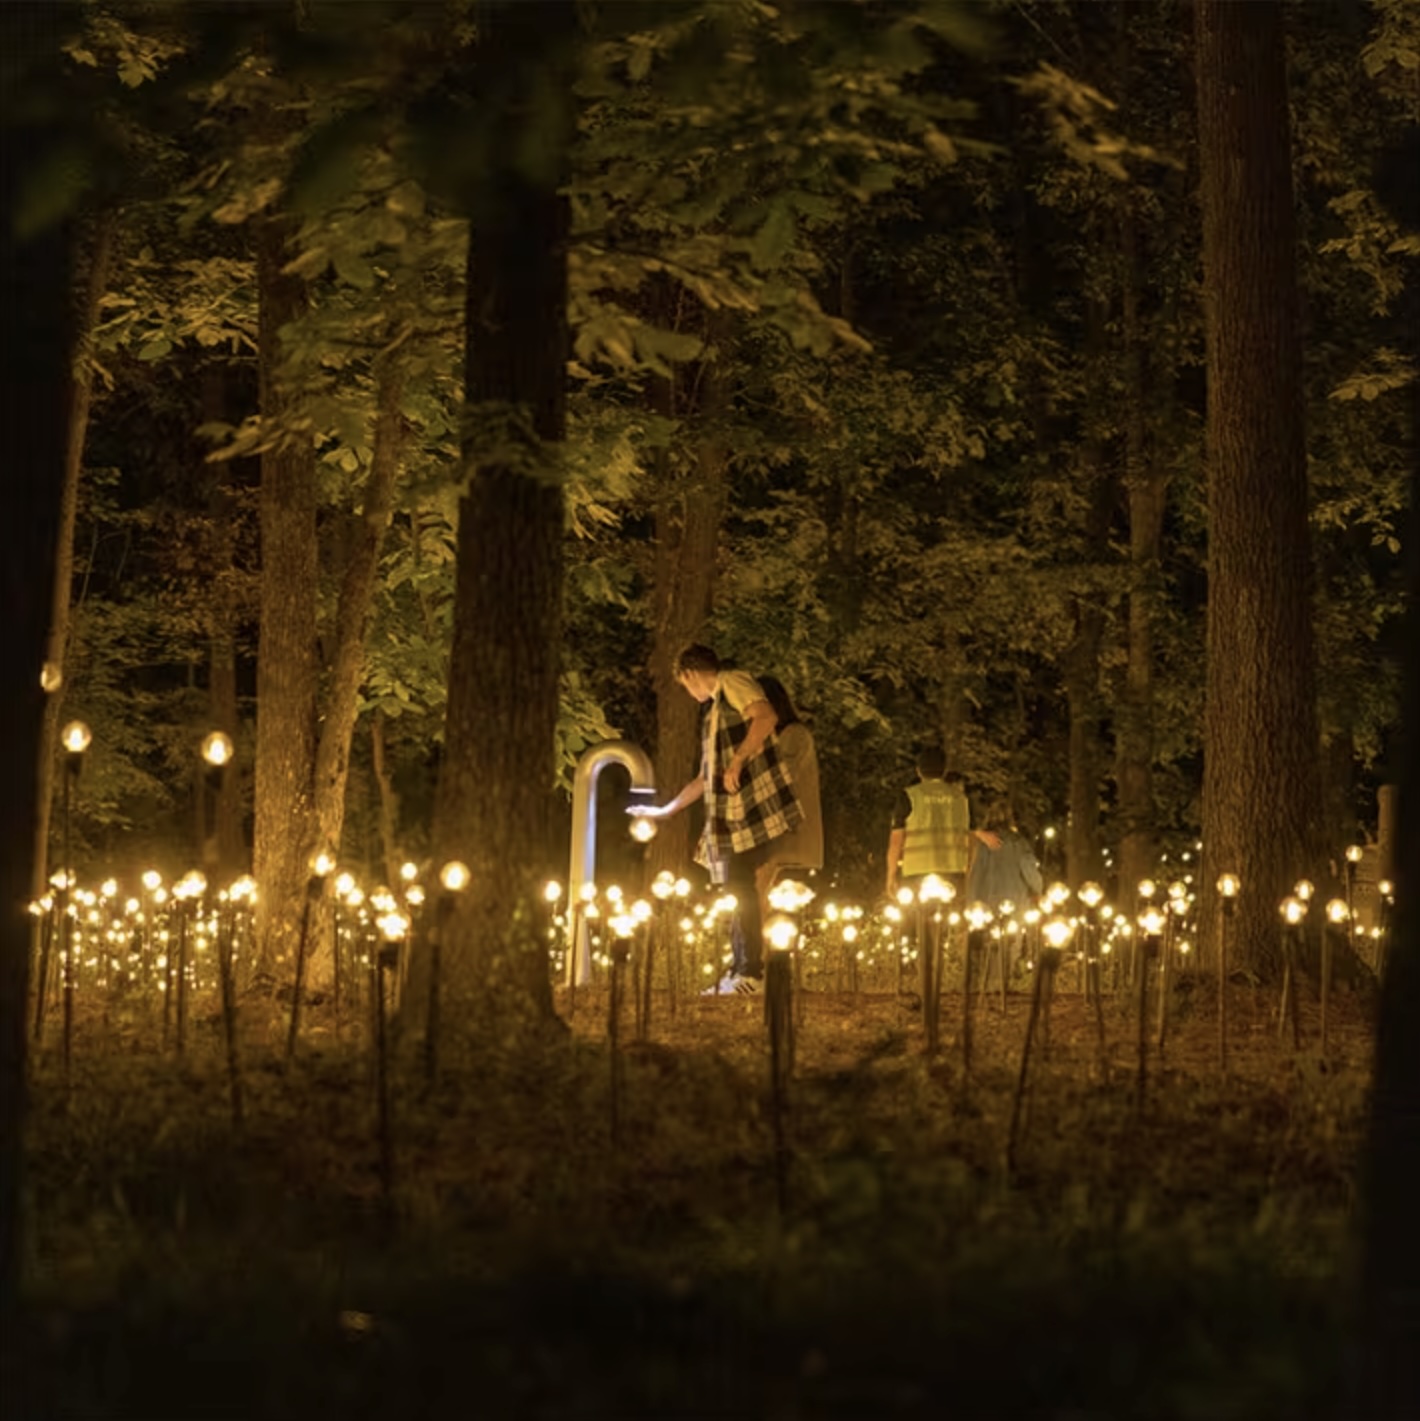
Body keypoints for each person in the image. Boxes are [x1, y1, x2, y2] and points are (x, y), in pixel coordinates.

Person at [628, 644, 802, 995]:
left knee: (740, 886)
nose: (690, 695)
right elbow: (705, 778)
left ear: (691, 674)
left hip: (755, 809)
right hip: (732, 816)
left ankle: (750, 972)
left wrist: (738, 760)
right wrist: (665, 811)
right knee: (736, 888)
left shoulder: (731, 681)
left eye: (685, 685)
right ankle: (741, 969)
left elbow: (765, 717)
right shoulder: (714, 715)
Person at [884, 746, 997, 900]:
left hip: (915, 872)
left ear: (918, 771)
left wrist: (891, 875)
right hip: (953, 872)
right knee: (953, 919)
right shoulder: (961, 798)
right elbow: (971, 840)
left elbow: (896, 840)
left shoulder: (909, 796)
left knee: (911, 918)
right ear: (944, 771)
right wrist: (967, 872)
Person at [752, 674, 823, 913]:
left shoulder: (794, 735)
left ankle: (761, 947)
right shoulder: (776, 737)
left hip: (787, 836)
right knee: (758, 896)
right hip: (773, 834)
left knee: (767, 900)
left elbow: (779, 777)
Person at [964, 799, 1043, 912]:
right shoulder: (1019, 843)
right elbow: (1029, 870)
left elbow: (977, 875)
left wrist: (971, 903)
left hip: (988, 902)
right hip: (1016, 901)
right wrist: (1038, 890)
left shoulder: (983, 844)